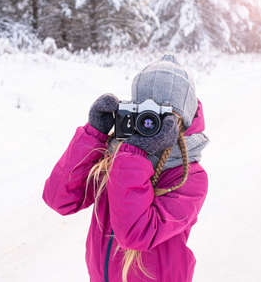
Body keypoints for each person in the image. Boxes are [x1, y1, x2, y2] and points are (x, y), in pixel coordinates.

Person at [42, 55, 209, 282]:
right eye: (145, 113)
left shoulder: (190, 178)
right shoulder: (117, 158)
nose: (151, 124)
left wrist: (134, 154)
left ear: (183, 120)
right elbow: (59, 199)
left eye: (163, 116)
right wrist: (94, 135)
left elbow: (135, 234)